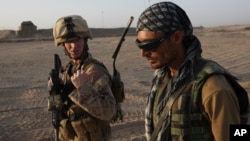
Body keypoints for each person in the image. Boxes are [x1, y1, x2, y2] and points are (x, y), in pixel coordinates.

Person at [135, 1, 248, 141]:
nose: (143, 53)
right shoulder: (162, 79)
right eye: (139, 44)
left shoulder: (214, 87)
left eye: (150, 45)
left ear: (176, 37)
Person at [49, 15, 116, 141]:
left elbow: (109, 111)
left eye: (77, 40)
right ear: (63, 44)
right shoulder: (68, 70)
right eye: (69, 41)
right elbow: (61, 109)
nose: (74, 46)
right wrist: (54, 92)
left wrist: (83, 88)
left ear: (85, 40)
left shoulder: (94, 71)